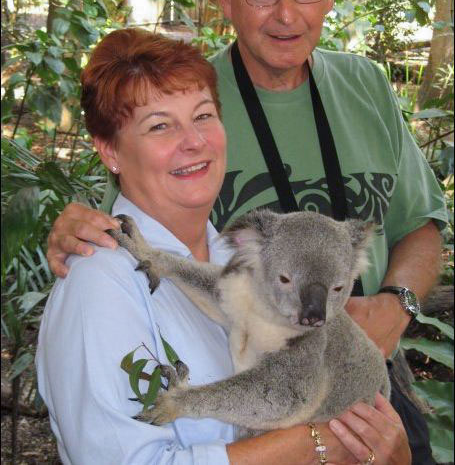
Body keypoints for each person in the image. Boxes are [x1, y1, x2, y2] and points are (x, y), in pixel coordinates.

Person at [46, 0, 447, 462]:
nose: (287, 14)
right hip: (276, 399)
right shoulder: (190, 89)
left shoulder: (367, 84)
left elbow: (424, 222)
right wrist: (76, 232)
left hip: (367, 377)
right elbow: (135, 215)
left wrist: (394, 304)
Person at [36, 28, 411, 464]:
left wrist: (392, 453)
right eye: (160, 125)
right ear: (109, 151)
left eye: (203, 116)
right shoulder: (99, 283)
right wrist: (322, 440)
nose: (193, 141)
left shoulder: (244, 258)